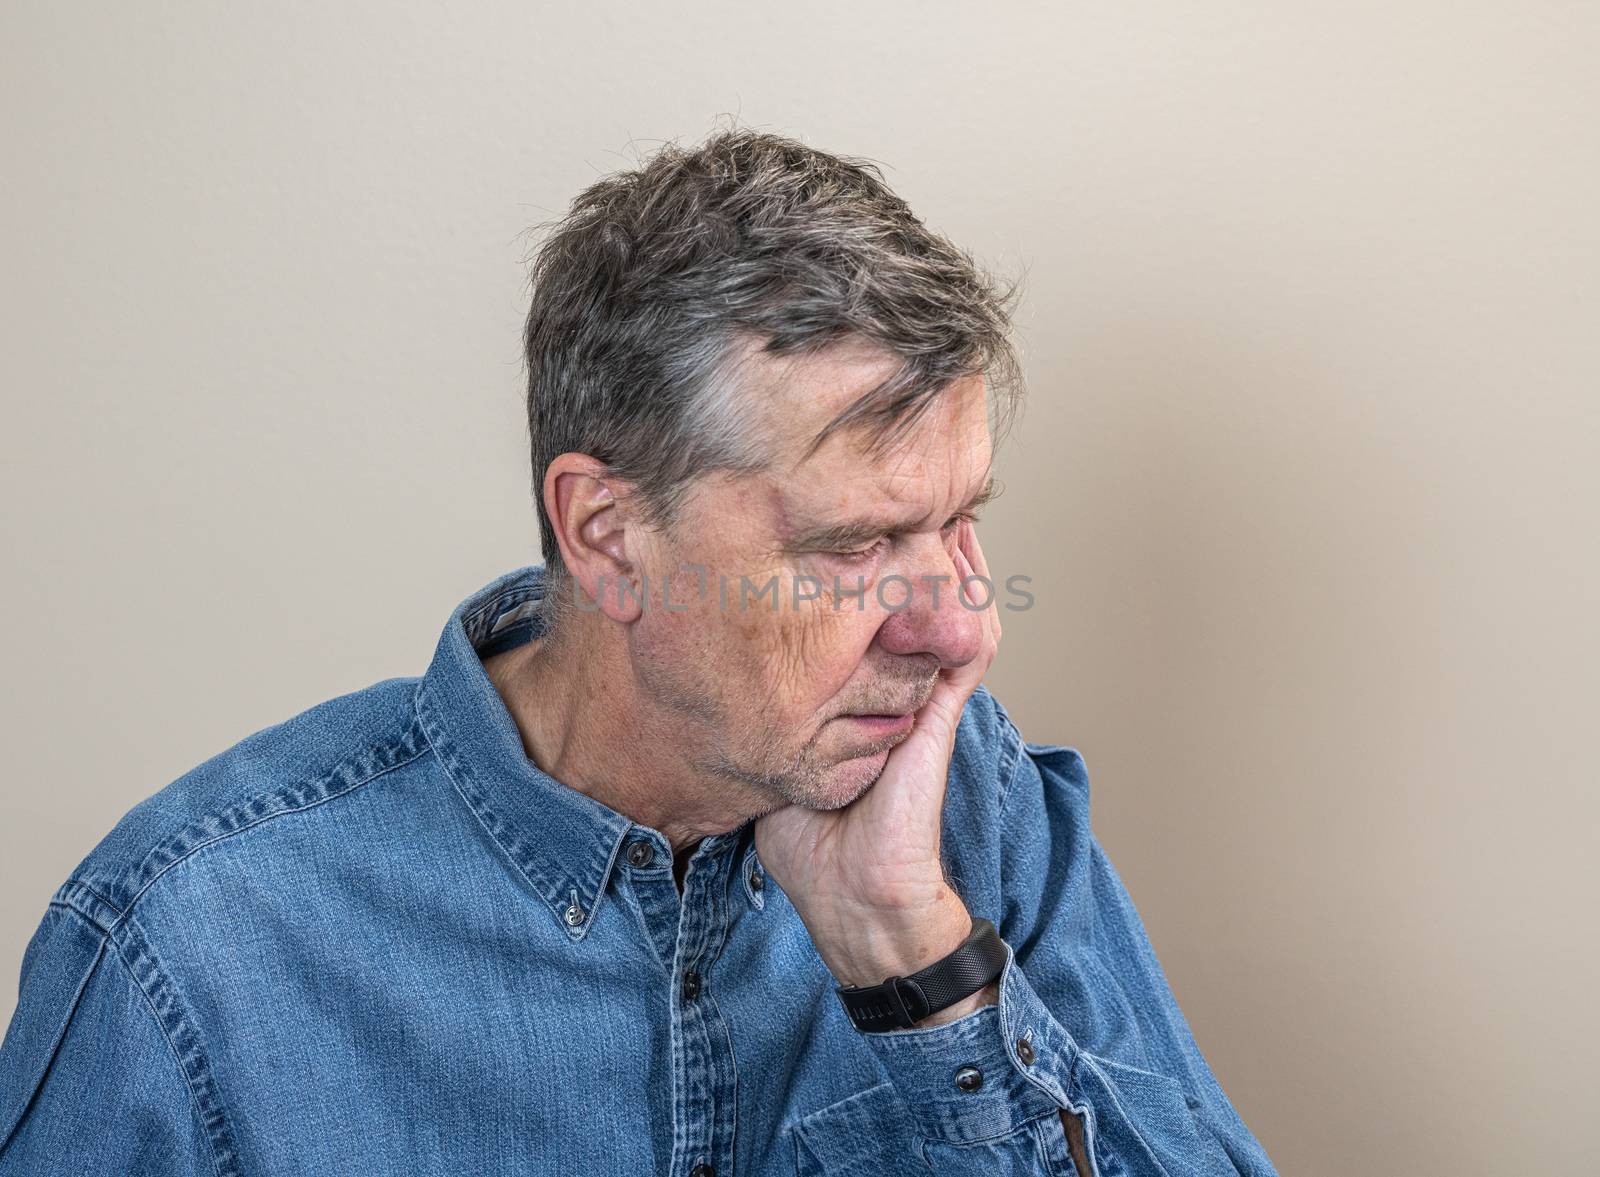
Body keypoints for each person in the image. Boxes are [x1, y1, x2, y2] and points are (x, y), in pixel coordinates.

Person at [0, 128, 1277, 1176]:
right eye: (853, 543)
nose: (959, 627)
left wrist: (915, 968)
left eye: (959, 521)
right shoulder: (192, 946)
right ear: (607, 535)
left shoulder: (970, 813)